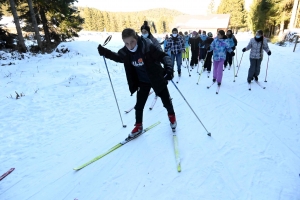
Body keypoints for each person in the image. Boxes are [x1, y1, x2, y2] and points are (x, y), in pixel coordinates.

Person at [97, 28, 177, 137]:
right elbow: (118, 57)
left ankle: (172, 119)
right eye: (127, 43)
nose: (130, 46)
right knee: (139, 106)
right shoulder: (126, 52)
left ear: (136, 38)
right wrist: (105, 52)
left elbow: (164, 57)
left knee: (166, 102)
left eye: (132, 42)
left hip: (156, 78)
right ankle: (138, 126)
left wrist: (168, 69)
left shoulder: (147, 47)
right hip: (142, 82)